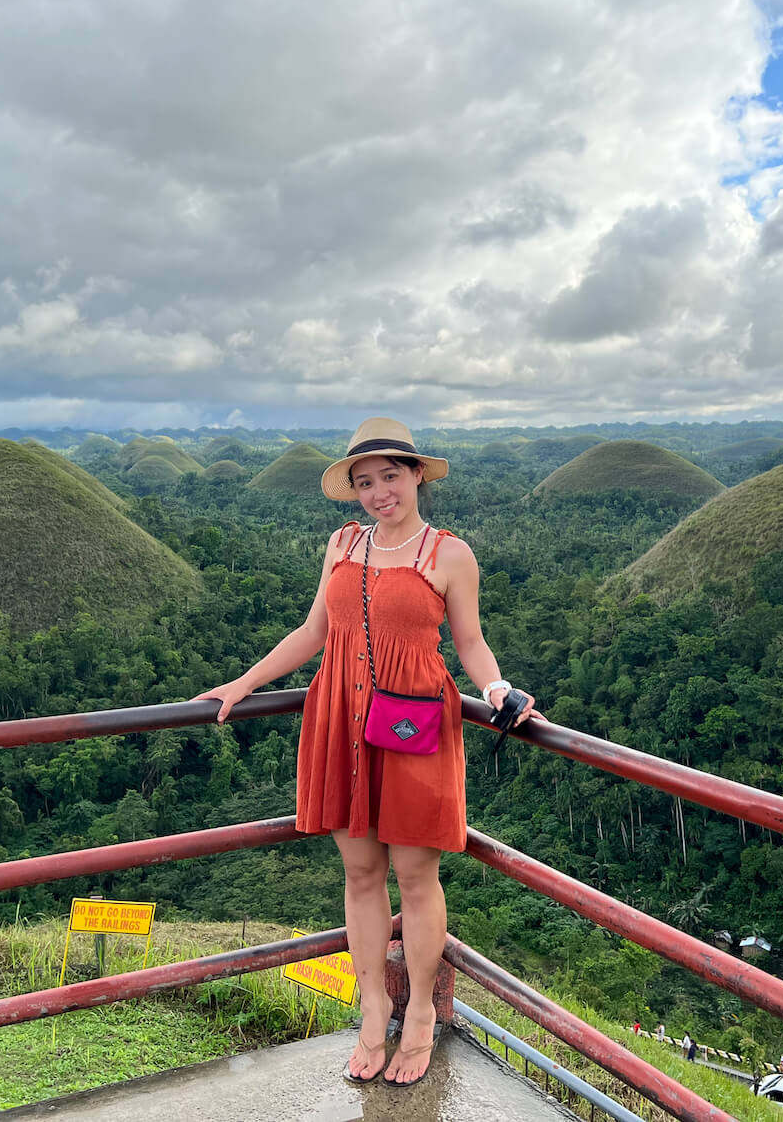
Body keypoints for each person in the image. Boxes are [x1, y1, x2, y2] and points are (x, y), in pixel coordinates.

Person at [194, 418, 539, 1089]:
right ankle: (374, 1004)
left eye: (390, 476)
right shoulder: (342, 543)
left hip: (412, 721)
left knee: (415, 874)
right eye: (364, 481)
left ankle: (417, 1019)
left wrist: (497, 687)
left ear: (416, 475)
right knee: (359, 872)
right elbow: (316, 630)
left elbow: (469, 642)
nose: (379, 491)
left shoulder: (448, 553)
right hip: (340, 715)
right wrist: (245, 682)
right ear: (353, 490)